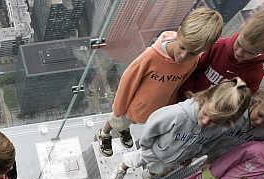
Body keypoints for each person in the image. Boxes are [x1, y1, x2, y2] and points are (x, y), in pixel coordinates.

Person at [95, 7, 223, 157]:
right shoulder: (151, 56)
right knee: (116, 120)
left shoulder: (193, 61)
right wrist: (118, 109)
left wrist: (173, 102)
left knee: (127, 123)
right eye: (182, 47)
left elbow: (177, 85)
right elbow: (127, 81)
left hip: (153, 108)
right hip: (132, 105)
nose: (182, 56)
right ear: (179, 32)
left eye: (192, 53)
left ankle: (123, 130)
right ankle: (104, 134)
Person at [109, 78, 251, 179]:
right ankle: (122, 168)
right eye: (206, 113)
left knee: (159, 169)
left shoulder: (220, 129)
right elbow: (153, 125)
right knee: (136, 158)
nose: (206, 121)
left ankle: (149, 175)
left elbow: (207, 144)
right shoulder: (178, 114)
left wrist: (191, 156)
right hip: (155, 149)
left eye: (215, 121)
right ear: (205, 99)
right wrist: (146, 146)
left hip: (177, 157)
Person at [179, 10, 264, 100]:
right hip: (184, 99)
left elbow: (241, 101)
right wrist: (187, 89)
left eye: (249, 52)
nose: (239, 53)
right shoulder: (218, 46)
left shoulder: (255, 75)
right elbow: (194, 69)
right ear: (242, 26)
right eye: (239, 44)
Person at [202, 83, 264, 159]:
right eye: (260, 114)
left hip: (220, 159)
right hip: (199, 146)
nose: (259, 122)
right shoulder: (235, 108)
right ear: (259, 99)